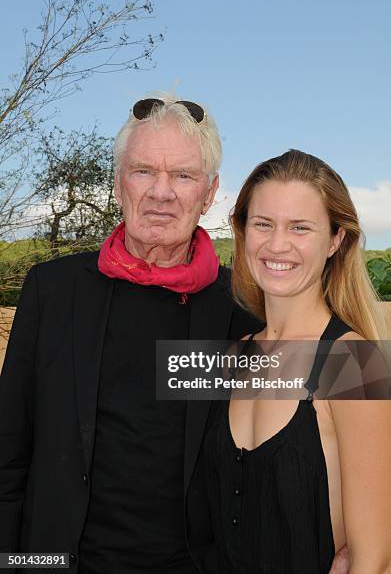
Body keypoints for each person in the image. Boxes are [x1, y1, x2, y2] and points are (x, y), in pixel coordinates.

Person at [0, 97, 349, 574]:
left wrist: (357, 546)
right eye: (144, 171)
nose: (161, 193)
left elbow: (315, 432)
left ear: (209, 193)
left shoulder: (243, 311)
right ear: (119, 181)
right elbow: (9, 454)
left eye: (184, 176)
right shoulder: (53, 290)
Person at [203, 149, 391, 573]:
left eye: (300, 228)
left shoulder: (352, 364)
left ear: (336, 240)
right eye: (263, 224)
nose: (278, 245)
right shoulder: (232, 357)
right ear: (241, 231)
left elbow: (378, 561)